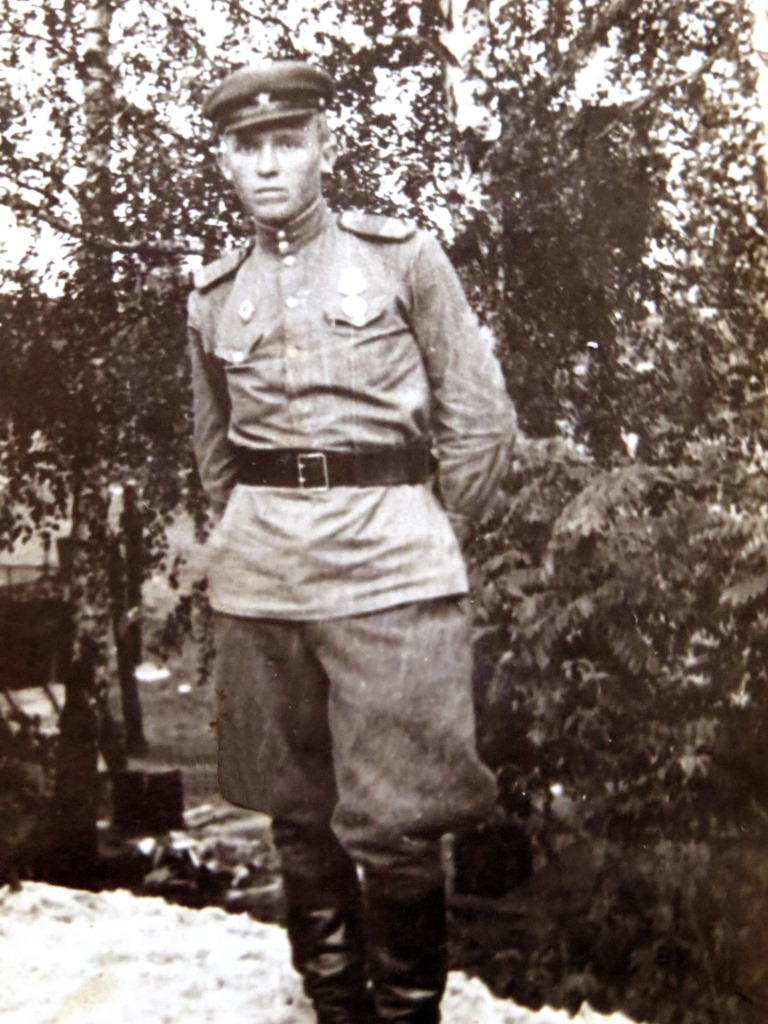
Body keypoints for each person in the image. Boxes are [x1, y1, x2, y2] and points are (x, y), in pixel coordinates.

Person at [187, 59, 518, 1024]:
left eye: (287, 142)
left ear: (323, 148)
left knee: (399, 821)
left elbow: (480, 419)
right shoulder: (212, 294)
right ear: (225, 160)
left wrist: (432, 528)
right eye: (247, 146)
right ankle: (336, 1008)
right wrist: (251, 536)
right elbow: (215, 452)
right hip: (263, 581)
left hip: (391, 570)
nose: (268, 164)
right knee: (297, 816)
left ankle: (408, 1015)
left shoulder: (402, 258)